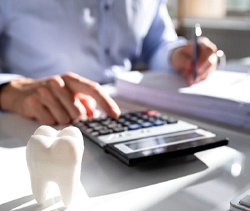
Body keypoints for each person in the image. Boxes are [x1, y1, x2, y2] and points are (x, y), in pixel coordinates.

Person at [0, 0, 218, 125]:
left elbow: (155, 44)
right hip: (37, 122)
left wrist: (177, 55)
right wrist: (9, 90)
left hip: (128, 116)